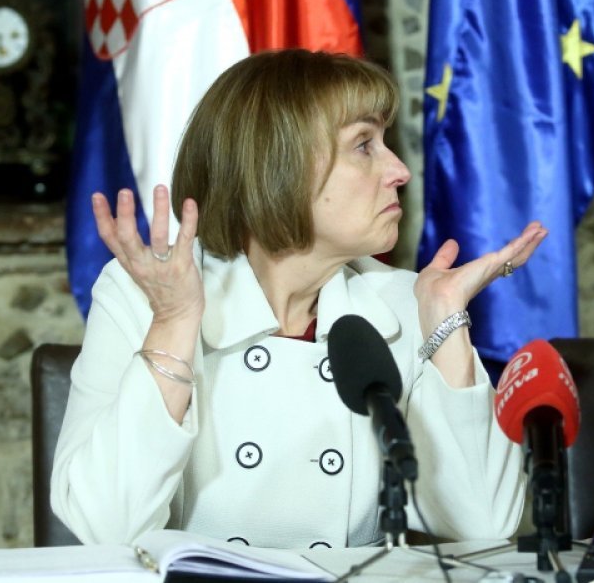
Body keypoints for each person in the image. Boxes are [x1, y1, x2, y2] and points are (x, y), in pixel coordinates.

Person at [51, 49, 545, 548]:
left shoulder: (403, 303)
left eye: (386, 143)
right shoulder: (144, 294)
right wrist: (175, 322)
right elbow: (104, 526)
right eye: (363, 145)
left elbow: (484, 525)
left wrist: (445, 321)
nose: (400, 170)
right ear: (276, 166)